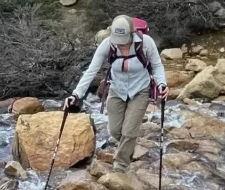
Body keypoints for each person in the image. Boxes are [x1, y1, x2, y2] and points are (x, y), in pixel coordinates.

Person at [65, 15, 168, 173]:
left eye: (124, 39)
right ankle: (129, 147)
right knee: (115, 130)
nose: (120, 44)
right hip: (116, 89)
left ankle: (120, 167)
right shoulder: (108, 44)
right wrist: (76, 94)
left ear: (132, 34)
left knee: (129, 131)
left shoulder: (146, 42)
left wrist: (162, 84)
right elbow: (91, 71)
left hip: (140, 89)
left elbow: (157, 65)